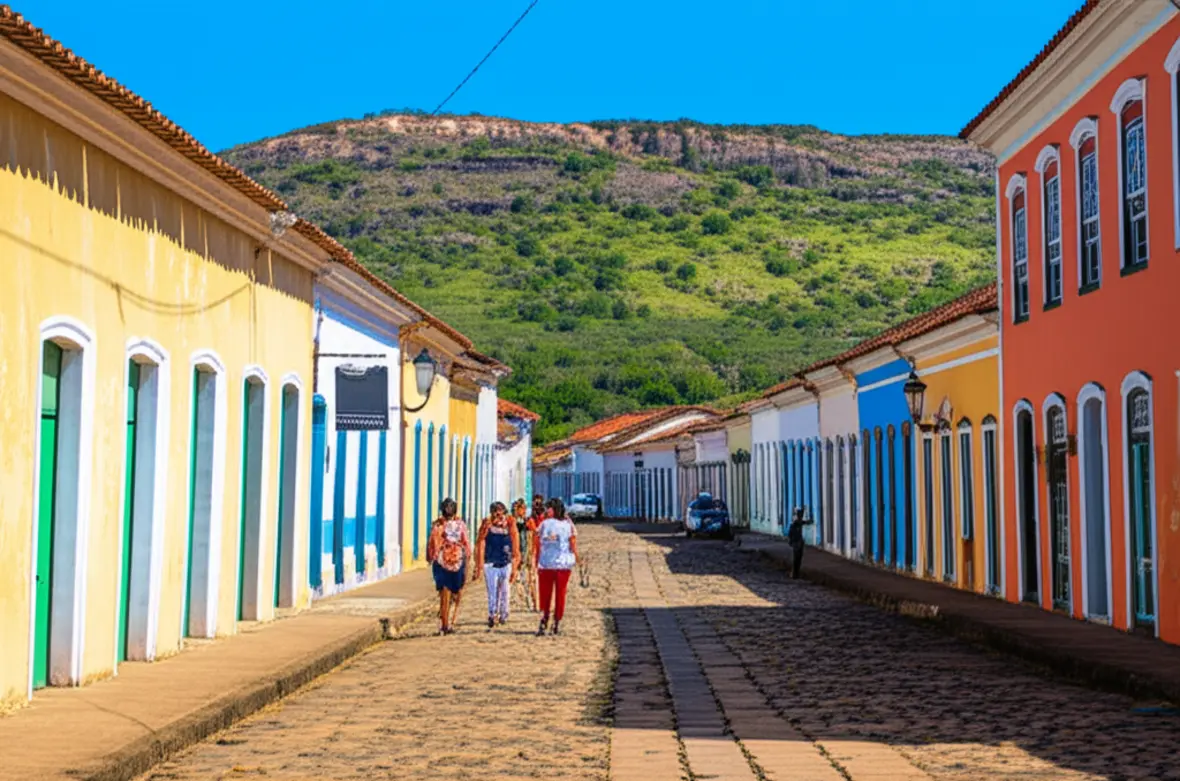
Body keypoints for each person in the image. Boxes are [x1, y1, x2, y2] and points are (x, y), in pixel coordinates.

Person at [426, 498, 472, 634]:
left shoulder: (442, 525)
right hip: (451, 561)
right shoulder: (451, 525)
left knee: (447, 593)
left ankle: (446, 622)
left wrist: (430, 557)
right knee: (451, 593)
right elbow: (466, 543)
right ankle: (446, 623)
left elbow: (432, 544)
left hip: (447, 561)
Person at [534, 497, 578, 636]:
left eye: (549, 508)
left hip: (548, 563)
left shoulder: (545, 523)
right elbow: (573, 540)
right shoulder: (567, 523)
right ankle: (556, 620)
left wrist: (536, 558)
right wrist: (575, 556)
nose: (547, 510)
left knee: (546, 594)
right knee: (560, 593)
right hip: (561, 564)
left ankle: (546, 617)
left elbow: (537, 539)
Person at [475, 501, 520, 628]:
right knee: (492, 591)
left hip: (506, 562)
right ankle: (492, 614)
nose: (498, 514)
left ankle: (504, 614)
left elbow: (515, 545)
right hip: (490, 563)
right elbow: (480, 542)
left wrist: (515, 564)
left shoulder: (510, 524)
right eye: (495, 511)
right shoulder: (487, 525)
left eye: (500, 511)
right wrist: (479, 564)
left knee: (505, 591)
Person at [512, 498, 538, 611]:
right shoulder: (511, 521)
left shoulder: (529, 521)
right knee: (517, 579)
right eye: (521, 509)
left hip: (527, 552)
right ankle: (525, 600)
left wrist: (533, 552)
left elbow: (534, 534)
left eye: (524, 509)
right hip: (516, 553)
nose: (523, 511)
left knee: (531, 579)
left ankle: (535, 603)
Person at [787, 507, 814, 580]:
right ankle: (794, 574)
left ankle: (796, 573)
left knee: (799, 558)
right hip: (796, 542)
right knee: (796, 558)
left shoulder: (799, 522)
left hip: (799, 542)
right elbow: (790, 534)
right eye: (800, 515)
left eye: (801, 515)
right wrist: (791, 541)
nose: (800, 517)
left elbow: (806, 522)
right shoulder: (795, 524)